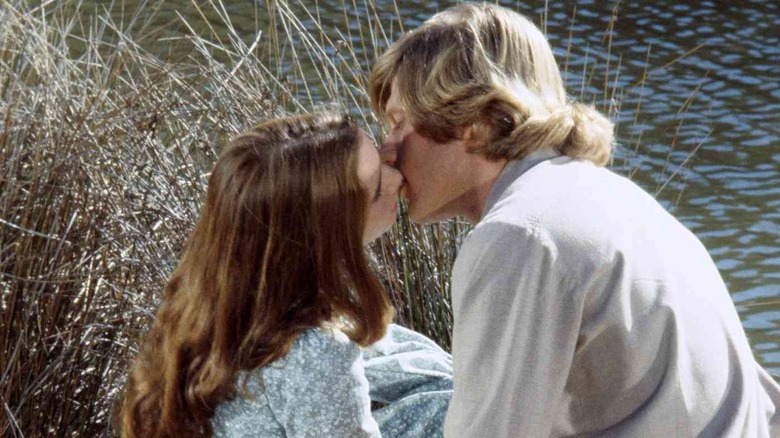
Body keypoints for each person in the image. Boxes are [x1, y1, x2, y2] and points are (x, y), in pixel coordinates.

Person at [369, 3, 780, 437]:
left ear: (474, 124)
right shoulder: (612, 196)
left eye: (398, 124)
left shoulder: (519, 236)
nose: (386, 152)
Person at [116, 112, 452, 438]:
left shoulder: (207, 310)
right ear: (328, 229)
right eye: (377, 185)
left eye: (380, 157)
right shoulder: (317, 351)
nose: (396, 178)